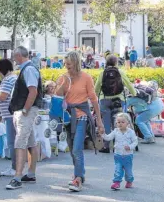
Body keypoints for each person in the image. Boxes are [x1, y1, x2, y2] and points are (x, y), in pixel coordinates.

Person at [56, 50, 103, 192]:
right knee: (72, 149)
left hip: (82, 114)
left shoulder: (86, 78)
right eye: (65, 64)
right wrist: (63, 86)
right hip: (68, 117)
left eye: (69, 64)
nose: (66, 67)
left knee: (77, 148)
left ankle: (77, 179)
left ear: (76, 63)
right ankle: (80, 173)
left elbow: (94, 100)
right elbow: (57, 97)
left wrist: (99, 121)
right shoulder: (63, 77)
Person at [6, 46, 43, 190]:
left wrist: (25, 109)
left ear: (18, 56)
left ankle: (17, 177)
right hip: (24, 110)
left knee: (20, 142)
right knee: (30, 142)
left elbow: (32, 91)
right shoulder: (28, 68)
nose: (14, 60)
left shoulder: (28, 69)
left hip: (25, 111)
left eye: (14, 57)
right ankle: (31, 173)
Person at [95, 55, 136, 153]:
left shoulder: (102, 73)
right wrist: (134, 93)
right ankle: (118, 145)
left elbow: (96, 88)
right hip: (118, 100)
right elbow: (128, 84)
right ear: (116, 63)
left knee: (106, 123)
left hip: (104, 100)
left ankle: (106, 146)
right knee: (119, 123)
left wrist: (95, 97)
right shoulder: (120, 72)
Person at [99, 113, 138, 190]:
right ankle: (116, 183)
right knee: (118, 169)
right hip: (118, 155)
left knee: (128, 171)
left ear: (128, 123)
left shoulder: (131, 132)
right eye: (118, 122)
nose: (120, 124)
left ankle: (129, 181)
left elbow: (135, 141)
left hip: (128, 155)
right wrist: (103, 134)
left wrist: (130, 147)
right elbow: (108, 137)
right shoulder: (115, 131)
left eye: (123, 122)